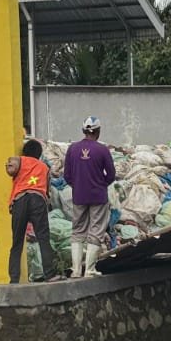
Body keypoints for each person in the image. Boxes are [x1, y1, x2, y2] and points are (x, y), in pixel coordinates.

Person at [62, 116, 115, 278]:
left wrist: (78, 185)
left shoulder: (72, 149)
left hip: (79, 196)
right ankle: (90, 270)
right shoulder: (102, 150)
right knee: (96, 230)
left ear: (83, 130)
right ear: (98, 131)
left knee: (77, 231)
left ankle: (76, 270)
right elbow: (111, 174)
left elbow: (67, 175)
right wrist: (101, 184)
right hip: (98, 196)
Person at [6, 139, 62, 284]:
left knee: (17, 242)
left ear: (25, 151)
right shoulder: (44, 167)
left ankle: (14, 279)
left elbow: (10, 169)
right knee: (43, 239)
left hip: (20, 200)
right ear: (39, 154)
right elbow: (47, 192)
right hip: (38, 200)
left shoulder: (20, 160)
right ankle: (49, 274)